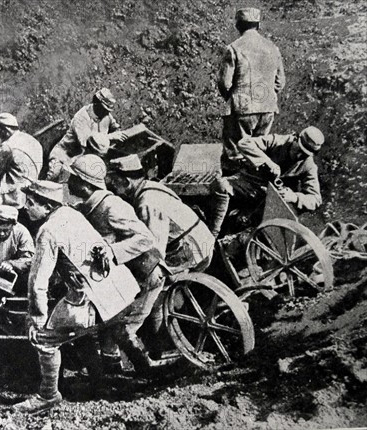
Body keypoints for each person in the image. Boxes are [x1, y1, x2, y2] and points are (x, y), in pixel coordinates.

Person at [12, 180, 139, 413]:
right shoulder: (72, 214)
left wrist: (36, 318)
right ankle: (108, 383)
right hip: (119, 290)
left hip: (92, 299)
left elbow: (38, 281)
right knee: (84, 333)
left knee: (45, 339)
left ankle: (48, 395)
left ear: (47, 206)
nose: (26, 208)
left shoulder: (47, 231)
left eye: (31, 203)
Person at [66, 155, 170, 375]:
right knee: (111, 328)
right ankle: (115, 374)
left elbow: (145, 238)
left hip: (146, 275)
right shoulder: (90, 205)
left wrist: (111, 250)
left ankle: (147, 373)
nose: (68, 182)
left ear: (85, 183)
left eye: (72, 178)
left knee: (124, 330)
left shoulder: (112, 206)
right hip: (126, 280)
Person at [106, 154, 215, 358]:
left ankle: (157, 347)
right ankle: (160, 342)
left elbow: (154, 249)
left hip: (191, 249)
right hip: (198, 238)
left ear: (126, 181)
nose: (115, 191)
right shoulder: (152, 186)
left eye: (115, 185)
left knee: (152, 293)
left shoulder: (147, 202)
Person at [209, 126, 324, 237]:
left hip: (270, 199)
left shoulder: (309, 166)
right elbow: (244, 143)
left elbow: (315, 199)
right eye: (298, 149)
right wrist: (268, 162)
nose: (299, 155)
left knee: (251, 228)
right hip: (249, 183)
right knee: (221, 185)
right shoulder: (278, 141)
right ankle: (213, 234)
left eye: (304, 155)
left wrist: (294, 197)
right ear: (295, 138)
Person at [218, 7, 286, 174]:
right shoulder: (272, 48)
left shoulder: (234, 48)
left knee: (236, 155)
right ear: (258, 25)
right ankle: (257, 190)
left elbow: (224, 82)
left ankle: (234, 190)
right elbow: (280, 82)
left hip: (242, 109)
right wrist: (268, 95)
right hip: (267, 108)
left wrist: (233, 97)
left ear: (238, 26)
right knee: (258, 152)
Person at [46, 88, 127, 182]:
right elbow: (89, 142)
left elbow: (115, 128)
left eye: (108, 110)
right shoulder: (81, 118)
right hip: (66, 156)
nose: (107, 112)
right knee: (55, 174)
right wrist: (110, 137)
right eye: (104, 109)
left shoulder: (105, 115)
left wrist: (119, 134)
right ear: (96, 104)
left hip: (88, 157)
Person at [0, 113, 43, 209]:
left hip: (14, 198)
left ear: (4, 130)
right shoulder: (33, 141)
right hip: (32, 191)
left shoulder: (7, 147)